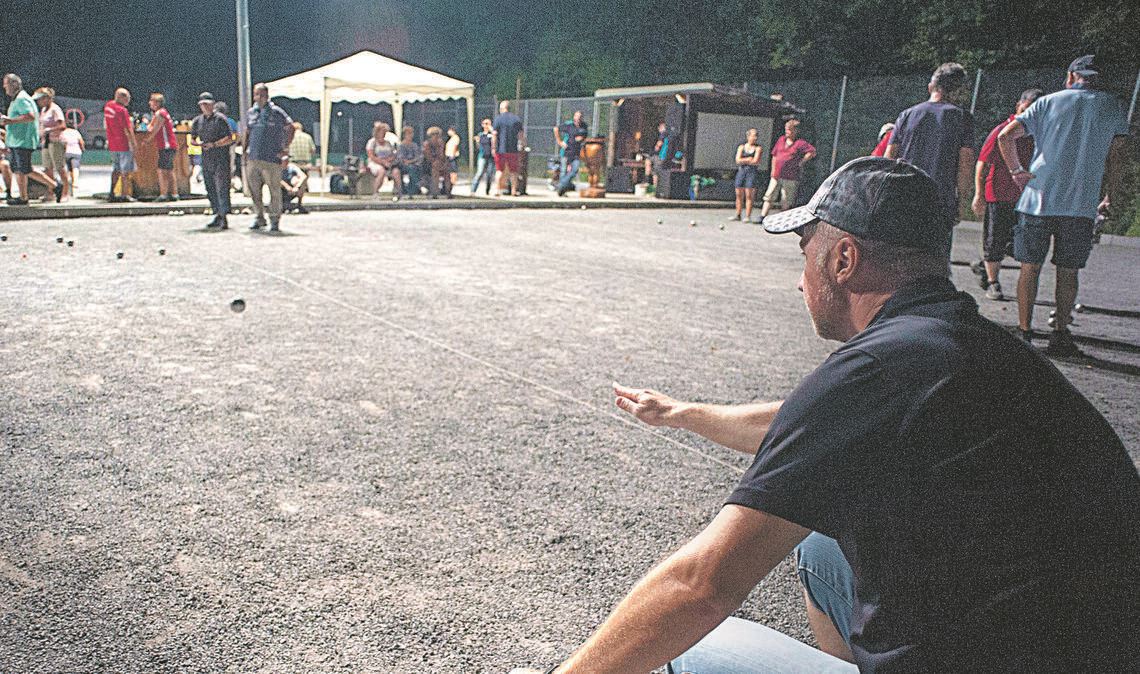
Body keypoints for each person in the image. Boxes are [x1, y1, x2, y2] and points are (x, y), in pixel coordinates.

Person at [511, 157, 1140, 674]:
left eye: (805, 254)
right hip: (1092, 645)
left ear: (843, 262)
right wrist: (685, 413)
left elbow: (700, 586)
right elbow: (815, 428)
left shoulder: (875, 371)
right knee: (821, 546)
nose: (800, 280)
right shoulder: (959, 343)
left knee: (684, 648)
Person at [997, 55, 1130, 356]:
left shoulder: (1048, 102)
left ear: (1071, 76)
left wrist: (1017, 171)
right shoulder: (1112, 106)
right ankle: (1060, 334)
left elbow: (1006, 137)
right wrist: (1109, 194)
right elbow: (1117, 155)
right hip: (1080, 204)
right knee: (1068, 272)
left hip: (1038, 198)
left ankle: (1024, 332)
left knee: (1029, 268)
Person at [885, 63, 975, 256]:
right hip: (940, 200)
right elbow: (965, 165)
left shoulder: (907, 115)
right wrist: (961, 202)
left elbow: (889, 158)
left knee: (901, 255)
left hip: (904, 196)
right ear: (958, 91)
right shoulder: (963, 118)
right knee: (934, 259)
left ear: (931, 86)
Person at [970, 88, 1042, 301]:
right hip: (999, 194)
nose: (1028, 114)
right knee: (995, 240)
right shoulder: (1003, 130)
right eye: (1025, 108)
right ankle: (993, 282)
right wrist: (979, 194)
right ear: (1018, 106)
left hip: (1025, 199)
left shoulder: (1038, 133)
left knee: (1018, 244)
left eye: (1034, 110)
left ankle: (984, 266)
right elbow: (982, 164)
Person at [1, 74, 62, 205]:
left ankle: (54, 185)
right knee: (19, 170)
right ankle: (23, 197)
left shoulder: (22, 99)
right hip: (17, 140)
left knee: (25, 169)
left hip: (23, 140)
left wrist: (9, 120)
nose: (4, 87)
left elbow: (29, 116)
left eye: (6, 84)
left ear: (14, 84)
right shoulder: (16, 99)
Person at [243, 83, 294, 231]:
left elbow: (290, 127)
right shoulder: (251, 112)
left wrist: (285, 149)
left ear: (267, 95)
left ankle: (274, 219)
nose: (258, 97)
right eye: (256, 94)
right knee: (254, 190)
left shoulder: (276, 112)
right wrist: (245, 150)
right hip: (254, 157)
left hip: (272, 159)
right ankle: (259, 217)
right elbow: (247, 131)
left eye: (261, 94)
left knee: (274, 191)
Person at [190, 92, 235, 229]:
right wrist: (197, 143)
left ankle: (223, 215)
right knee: (210, 187)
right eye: (203, 105)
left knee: (222, 187)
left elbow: (230, 138)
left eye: (207, 104)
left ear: (212, 105)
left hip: (220, 157)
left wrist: (214, 144)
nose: (205, 107)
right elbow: (192, 137)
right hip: (206, 158)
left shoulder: (220, 119)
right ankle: (217, 214)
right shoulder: (198, 121)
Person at [760, 119, 817, 221]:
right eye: (786, 130)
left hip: (790, 175)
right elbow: (774, 155)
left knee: (786, 198)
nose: (787, 132)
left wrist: (802, 161)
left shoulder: (800, 143)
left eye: (790, 130)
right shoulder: (781, 140)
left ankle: (782, 219)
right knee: (770, 195)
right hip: (777, 174)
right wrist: (773, 170)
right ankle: (763, 215)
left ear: (795, 131)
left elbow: (812, 151)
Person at [35, 87, 70, 202]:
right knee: (47, 168)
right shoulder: (44, 110)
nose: (39, 102)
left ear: (47, 98)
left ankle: (65, 192)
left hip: (56, 141)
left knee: (60, 167)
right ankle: (51, 192)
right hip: (46, 142)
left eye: (41, 99)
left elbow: (62, 126)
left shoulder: (55, 109)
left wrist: (49, 130)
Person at [103, 87, 138, 202]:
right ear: (122, 97)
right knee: (125, 171)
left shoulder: (108, 106)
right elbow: (128, 129)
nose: (128, 101)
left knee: (116, 169)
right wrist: (134, 144)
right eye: (127, 98)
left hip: (113, 144)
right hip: (124, 144)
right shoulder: (122, 110)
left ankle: (111, 193)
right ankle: (124, 195)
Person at [145, 92, 178, 202]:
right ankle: (173, 194)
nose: (149, 103)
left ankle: (164, 194)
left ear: (157, 102)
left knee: (162, 170)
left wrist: (147, 141)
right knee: (169, 170)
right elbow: (150, 126)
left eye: (151, 101)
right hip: (167, 145)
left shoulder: (160, 114)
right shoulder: (159, 113)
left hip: (166, 145)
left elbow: (155, 129)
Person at [491, 100, 524, 197]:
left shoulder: (498, 119)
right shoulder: (516, 119)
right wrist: (522, 145)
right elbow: (521, 134)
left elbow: (494, 135)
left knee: (499, 171)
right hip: (513, 150)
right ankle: (514, 191)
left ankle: (497, 190)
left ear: (502, 108)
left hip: (500, 150)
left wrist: (493, 147)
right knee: (514, 171)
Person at [729, 128, 762, 222]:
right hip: (742, 171)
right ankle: (738, 214)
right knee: (739, 194)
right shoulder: (741, 147)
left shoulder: (758, 148)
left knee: (749, 195)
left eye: (756, 136)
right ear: (748, 136)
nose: (755, 138)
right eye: (753, 135)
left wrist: (746, 160)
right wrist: (748, 159)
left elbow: (756, 161)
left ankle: (747, 216)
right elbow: (738, 160)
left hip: (751, 173)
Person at [554, 110, 588, 197]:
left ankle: (561, 185)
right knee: (564, 171)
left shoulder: (584, 126)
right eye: (577, 116)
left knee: (575, 170)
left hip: (576, 153)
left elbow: (584, 136)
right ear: (574, 117)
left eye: (580, 117)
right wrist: (560, 142)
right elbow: (556, 129)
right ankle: (562, 191)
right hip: (567, 151)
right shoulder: (569, 125)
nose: (578, 119)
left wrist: (581, 139)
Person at [366, 122, 399, 197]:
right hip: (375, 163)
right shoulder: (372, 142)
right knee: (381, 171)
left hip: (387, 162)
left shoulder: (388, 143)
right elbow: (371, 156)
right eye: (382, 132)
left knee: (396, 172)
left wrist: (389, 160)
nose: (384, 134)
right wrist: (382, 162)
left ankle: (398, 192)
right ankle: (375, 192)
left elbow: (393, 154)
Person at [395, 125, 423, 199]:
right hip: (403, 165)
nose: (410, 135)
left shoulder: (414, 145)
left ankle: (414, 188)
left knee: (416, 168)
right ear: (404, 135)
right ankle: (413, 188)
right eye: (408, 133)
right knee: (411, 169)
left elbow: (418, 156)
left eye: (411, 133)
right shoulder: (401, 145)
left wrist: (412, 161)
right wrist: (407, 162)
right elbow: (400, 157)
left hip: (414, 164)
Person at [422, 126, 450, 198]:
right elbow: (428, 157)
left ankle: (448, 191)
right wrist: (436, 162)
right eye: (434, 134)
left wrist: (440, 147)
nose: (436, 136)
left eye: (438, 134)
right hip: (427, 165)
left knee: (447, 170)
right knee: (435, 170)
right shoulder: (426, 144)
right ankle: (435, 192)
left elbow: (442, 156)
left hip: (439, 163)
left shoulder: (441, 143)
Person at [470, 118, 495, 195]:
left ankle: (487, 190)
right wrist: (477, 142)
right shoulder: (480, 135)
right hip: (482, 156)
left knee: (489, 174)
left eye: (488, 124)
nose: (486, 126)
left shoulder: (492, 135)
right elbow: (478, 147)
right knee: (479, 172)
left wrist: (492, 130)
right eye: (485, 124)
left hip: (490, 157)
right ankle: (473, 190)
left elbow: (496, 139)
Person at [60, 122, 84, 197]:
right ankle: (75, 182)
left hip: (66, 152)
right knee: (75, 167)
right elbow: (81, 142)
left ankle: (67, 185)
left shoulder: (63, 133)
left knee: (68, 169)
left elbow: (62, 143)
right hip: (76, 152)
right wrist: (82, 149)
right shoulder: (76, 132)